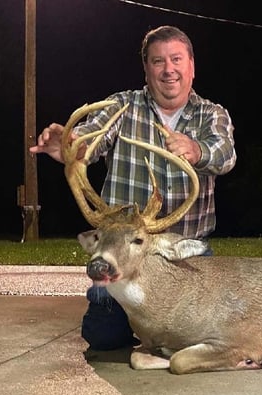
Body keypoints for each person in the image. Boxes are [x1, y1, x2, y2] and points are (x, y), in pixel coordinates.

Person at [30, 25, 236, 351]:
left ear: (191, 67)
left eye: (176, 59)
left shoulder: (211, 115)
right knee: (105, 337)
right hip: (124, 251)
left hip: (183, 253)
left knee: (199, 337)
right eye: (158, 61)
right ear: (147, 68)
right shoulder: (121, 107)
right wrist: (71, 146)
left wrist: (197, 151)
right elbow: (91, 138)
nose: (168, 69)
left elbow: (225, 155)